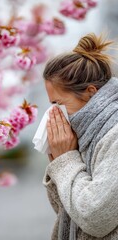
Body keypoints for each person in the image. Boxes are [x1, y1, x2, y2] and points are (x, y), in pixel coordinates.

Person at [42, 33, 118, 240]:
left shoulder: (114, 134)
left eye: (59, 104)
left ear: (90, 92)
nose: (54, 114)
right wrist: (60, 159)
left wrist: (65, 162)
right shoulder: (86, 134)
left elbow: (96, 218)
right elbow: (67, 211)